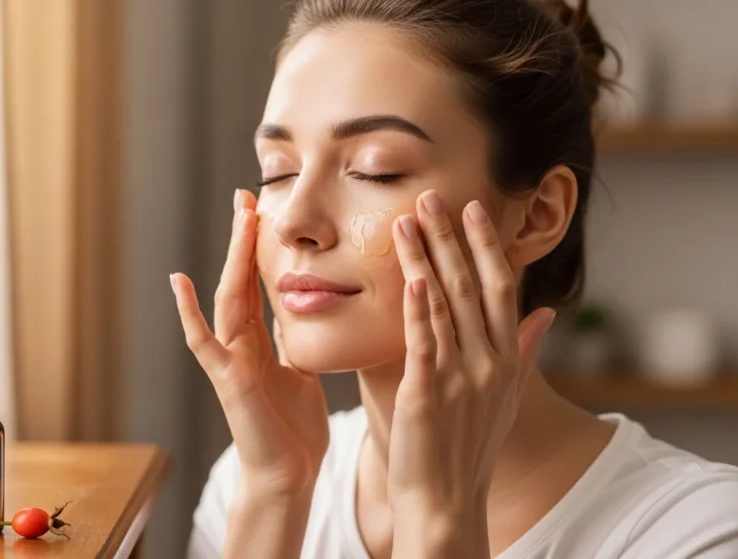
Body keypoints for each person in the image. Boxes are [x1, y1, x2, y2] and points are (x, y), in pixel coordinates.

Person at [169, 0, 738, 557]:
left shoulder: (698, 534)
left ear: (538, 215)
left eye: (376, 169)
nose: (294, 221)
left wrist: (439, 520)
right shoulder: (251, 483)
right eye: (279, 171)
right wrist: (277, 492)